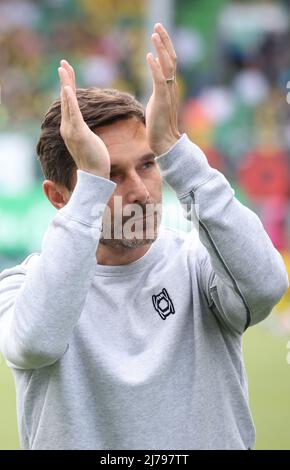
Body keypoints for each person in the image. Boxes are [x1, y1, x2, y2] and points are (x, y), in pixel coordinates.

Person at [0, 23, 288, 451]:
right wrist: (92, 192)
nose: (138, 190)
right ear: (59, 197)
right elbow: (36, 343)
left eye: (149, 165)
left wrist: (174, 147)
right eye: (110, 174)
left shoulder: (198, 265)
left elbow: (267, 286)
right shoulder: (21, 287)